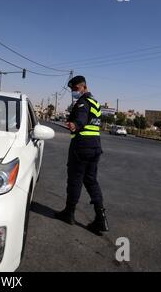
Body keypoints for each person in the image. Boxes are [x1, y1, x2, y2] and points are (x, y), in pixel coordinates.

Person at [55, 75, 109, 235]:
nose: (73, 92)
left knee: (75, 180)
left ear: (83, 87)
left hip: (81, 147)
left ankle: (69, 213)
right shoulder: (95, 102)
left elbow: (81, 119)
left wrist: (75, 125)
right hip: (95, 147)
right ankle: (101, 218)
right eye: (72, 90)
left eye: (75, 89)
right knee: (91, 181)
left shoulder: (83, 103)